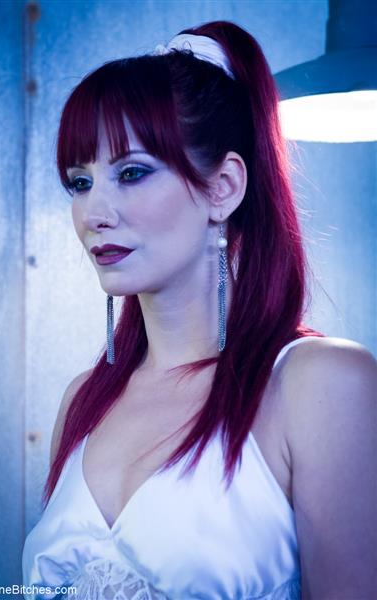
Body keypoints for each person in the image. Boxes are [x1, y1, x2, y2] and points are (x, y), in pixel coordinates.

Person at [22, 20, 376, 600]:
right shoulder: (82, 400)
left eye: (131, 172)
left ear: (224, 187)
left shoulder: (319, 384)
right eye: (79, 182)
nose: (94, 214)